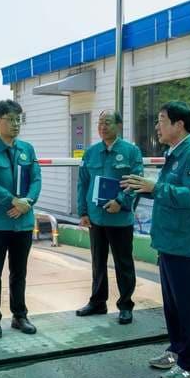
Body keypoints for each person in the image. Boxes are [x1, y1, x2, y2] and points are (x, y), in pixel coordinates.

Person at [121, 101, 190, 378]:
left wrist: (156, 187)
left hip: (185, 244)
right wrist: (144, 187)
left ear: (179, 125)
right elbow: (168, 192)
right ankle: (176, 350)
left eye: (162, 120)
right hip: (170, 242)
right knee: (173, 306)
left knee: (188, 306)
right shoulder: (174, 153)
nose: (157, 126)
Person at [0, 99, 42, 339]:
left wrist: (27, 203)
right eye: (10, 119)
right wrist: (13, 200)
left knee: (19, 272)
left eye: (18, 119)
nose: (15, 124)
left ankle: (19, 315)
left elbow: (36, 179)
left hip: (23, 222)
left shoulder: (27, 149)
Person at [76, 109, 143, 324]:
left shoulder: (131, 152)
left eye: (108, 123)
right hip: (96, 218)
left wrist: (121, 201)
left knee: (123, 263)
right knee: (97, 262)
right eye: (100, 123)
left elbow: (136, 180)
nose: (103, 127)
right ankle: (98, 302)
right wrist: (83, 212)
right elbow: (83, 183)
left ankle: (125, 305)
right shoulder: (91, 153)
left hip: (120, 219)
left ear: (119, 125)